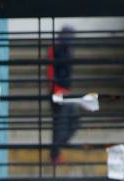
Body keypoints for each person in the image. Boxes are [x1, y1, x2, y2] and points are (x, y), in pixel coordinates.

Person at [49, 26, 79, 164]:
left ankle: (56, 150)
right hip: (58, 92)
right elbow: (52, 72)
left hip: (64, 92)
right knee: (63, 123)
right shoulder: (56, 50)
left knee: (66, 123)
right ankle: (55, 152)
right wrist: (56, 90)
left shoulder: (66, 50)